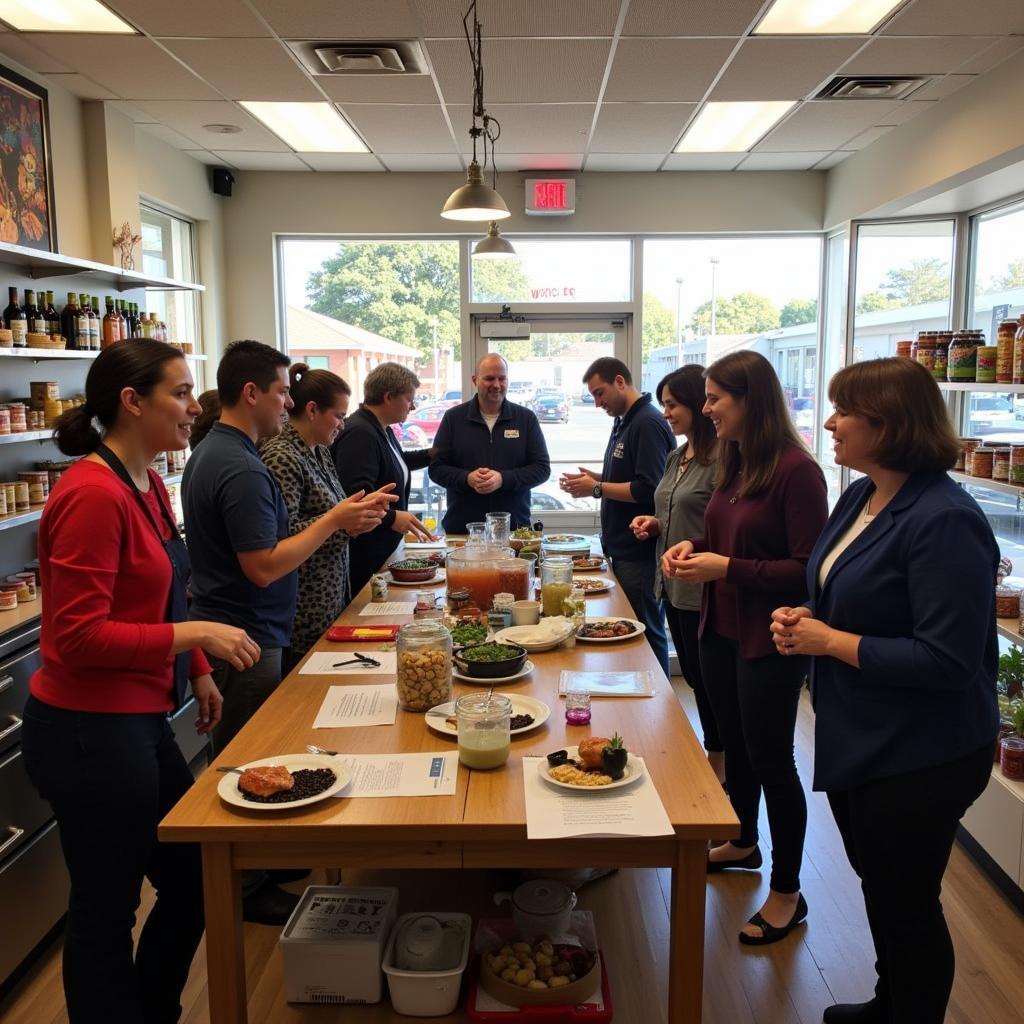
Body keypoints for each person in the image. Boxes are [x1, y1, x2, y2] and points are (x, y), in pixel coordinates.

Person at [20, 340, 258, 1023]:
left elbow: (166, 592)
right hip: (87, 733)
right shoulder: (91, 495)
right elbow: (76, 637)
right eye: (180, 393)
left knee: (190, 882)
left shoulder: (148, 482)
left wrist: (199, 669)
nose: (194, 407)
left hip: (139, 722)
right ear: (132, 401)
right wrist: (195, 638)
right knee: (106, 907)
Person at [770, 358, 997, 1023]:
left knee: (908, 901)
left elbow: (947, 660)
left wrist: (829, 642)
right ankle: (888, 1002)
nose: (831, 423)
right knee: (882, 887)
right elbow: (845, 595)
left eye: (845, 412)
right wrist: (810, 616)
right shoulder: (861, 495)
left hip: (923, 749)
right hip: (862, 733)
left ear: (891, 424)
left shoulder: (945, 518)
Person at [183, 341, 394, 923]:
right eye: (281, 393)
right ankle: (243, 886)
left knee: (256, 753)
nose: (287, 402)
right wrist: (334, 520)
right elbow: (265, 564)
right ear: (251, 393)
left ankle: (263, 862)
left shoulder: (225, 454)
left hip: (253, 627)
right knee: (245, 760)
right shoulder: (241, 463)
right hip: (245, 633)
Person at [662, 350, 827, 946]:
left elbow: (808, 569)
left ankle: (788, 891)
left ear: (749, 399)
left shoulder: (797, 470)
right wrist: (691, 548)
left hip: (767, 640)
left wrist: (725, 566)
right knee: (734, 748)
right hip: (720, 631)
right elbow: (724, 533)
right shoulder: (735, 463)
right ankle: (745, 840)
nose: (705, 410)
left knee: (771, 759)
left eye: (714, 399)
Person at [629, 366, 723, 782]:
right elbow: (672, 508)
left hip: (704, 591)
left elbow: (724, 525)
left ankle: (719, 765)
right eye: (664, 405)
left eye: (673, 404)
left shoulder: (723, 459)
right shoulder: (676, 455)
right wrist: (654, 523)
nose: (666, 413)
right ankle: (713, 755)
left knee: (710, 685)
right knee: (697, 680)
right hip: (671, 584)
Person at [261, 364, 382, 674]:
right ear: (312, 410)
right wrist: (339, 520)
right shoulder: (281, 456)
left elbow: (331, 514)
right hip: (302, 611)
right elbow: (282, 537)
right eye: (339, 416)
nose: (342, 425)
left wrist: (359, 513)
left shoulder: (319, 450)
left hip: (330, 598)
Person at [561, 357, 675, 674]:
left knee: (645, 633)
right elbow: (629, 475)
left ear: (620, 382)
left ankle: (660, 713)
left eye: (600, 393)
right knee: (632, 631)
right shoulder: (624, 420)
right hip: (622, 548)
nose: (598, 403)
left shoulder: (647, 423)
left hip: (640, 552)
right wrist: (596, 478)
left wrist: (596, 487)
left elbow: (648, 488)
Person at [333, 361, 435, 596]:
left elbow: (395, 464)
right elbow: (356, 495)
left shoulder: (382, 428)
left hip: (382, 547)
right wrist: (392, 518)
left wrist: (433, 454)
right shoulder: (360, 433)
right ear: (389, 397)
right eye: (409, 399)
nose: (412, 407)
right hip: (365, 553)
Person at [429, 353, 550, 534]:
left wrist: (503, 479)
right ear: (474, 380)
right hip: (463, 531)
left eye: (502, 378)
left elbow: (542, 469)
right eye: (489, 379)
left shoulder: (525, 419)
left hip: (514, 531)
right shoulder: (453, 419)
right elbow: (436, 468)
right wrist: (466, 478)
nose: (496, 385)